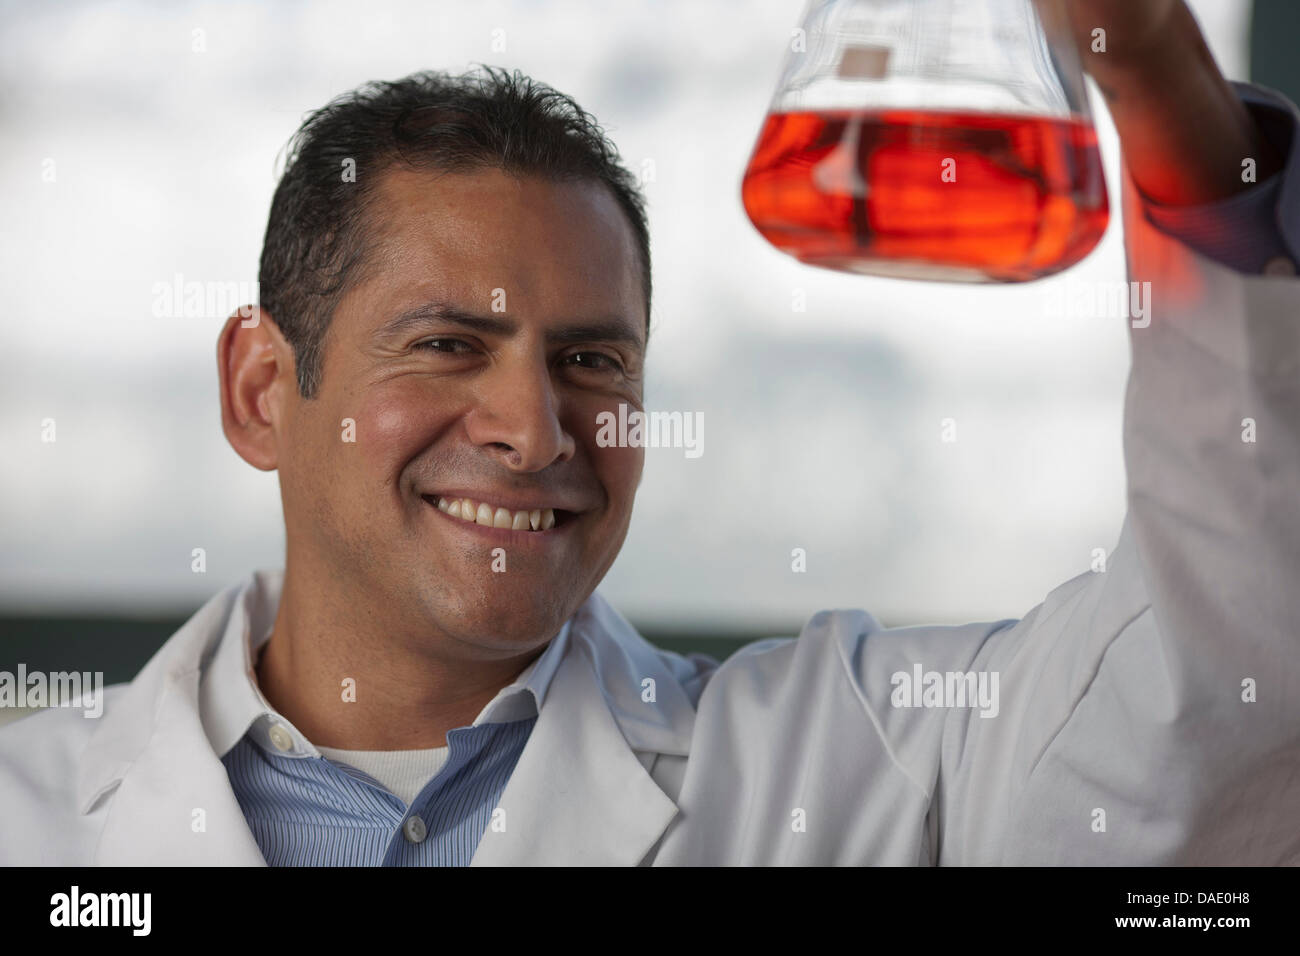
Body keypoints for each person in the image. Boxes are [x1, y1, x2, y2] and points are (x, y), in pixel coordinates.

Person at [2, 0, 1298, 865]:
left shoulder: (851, 770)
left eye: (590, 360)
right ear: (257, 393)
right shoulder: (36, 814)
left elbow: (1214, 679)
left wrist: (1175, 120)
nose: (532, 427)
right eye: (450, 342)